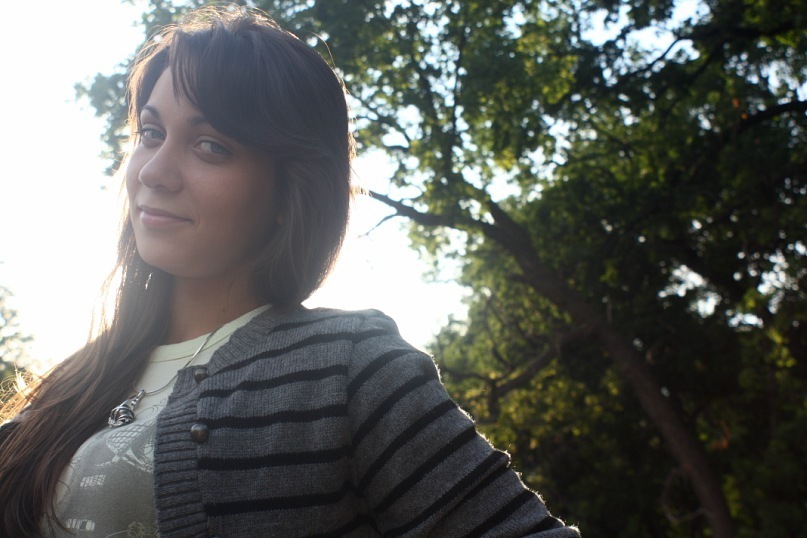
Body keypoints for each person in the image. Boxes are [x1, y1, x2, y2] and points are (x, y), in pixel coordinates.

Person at [0, 7, 580, 537]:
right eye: (151, 133)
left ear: (289, 189)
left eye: (210, 146)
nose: (154, 171)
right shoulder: (70, 381)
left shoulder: (350, 366)